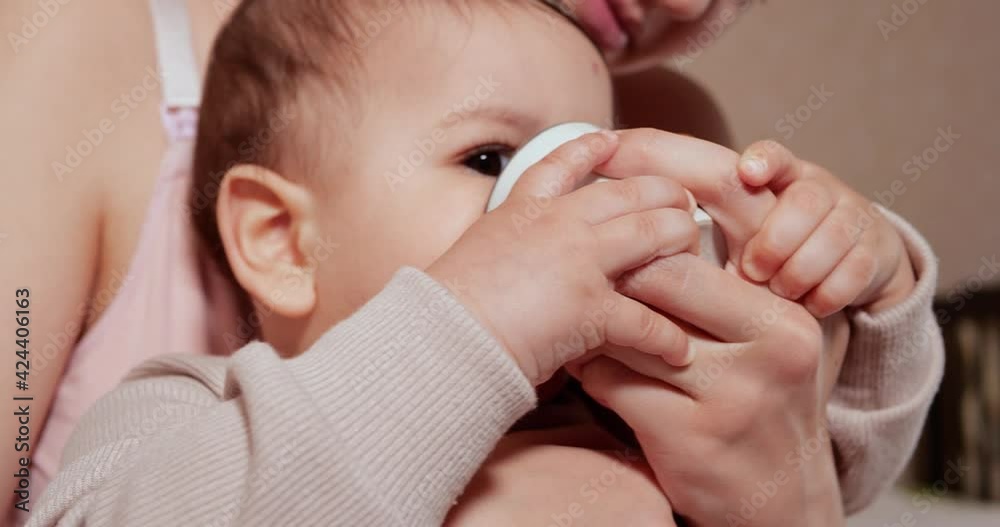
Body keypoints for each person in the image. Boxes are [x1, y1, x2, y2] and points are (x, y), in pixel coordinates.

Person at [24, 1, 942, 525]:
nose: (567, 202)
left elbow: (832, 465)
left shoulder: (624, 413)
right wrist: (473, 327)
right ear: (281, 238)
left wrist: (863, 293)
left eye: (594, 153)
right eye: (491, 160)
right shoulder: (197, 410)